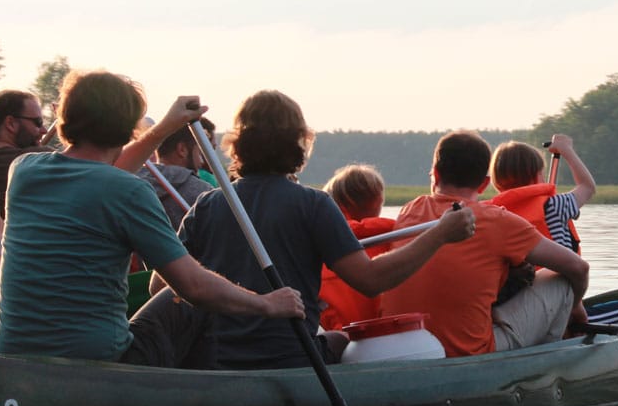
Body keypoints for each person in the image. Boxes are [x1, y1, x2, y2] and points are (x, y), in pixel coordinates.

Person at [0, 71, 303, 364]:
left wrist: (166, 126)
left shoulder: (24, 170)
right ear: (126, 128)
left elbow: (100, 174)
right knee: (189, 299)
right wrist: (267, 303)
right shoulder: (128, 191)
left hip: (15, 352)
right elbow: (193, 287)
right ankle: (206, 392)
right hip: (99, 362)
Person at [173, 91, 475, 369]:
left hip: (215, 359)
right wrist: (440, 234)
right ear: (298, 142)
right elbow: (371, 280)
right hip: (292, 358)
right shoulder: (312, 204)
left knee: (334, 338)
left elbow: (163, 284)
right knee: (342, 339)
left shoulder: (206, 205)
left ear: (237, 144)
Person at [379, 130, 589, 358]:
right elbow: (579, 268)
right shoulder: (498, 220)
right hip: (469, 352)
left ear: (436, 174)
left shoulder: (410, 210)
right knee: (562, 278)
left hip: (401, 348)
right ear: (484, 184)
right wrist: (575, 306)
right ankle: (553, 354)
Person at [319, 164, 397, 330]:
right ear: (379, 201)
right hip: (393, 333)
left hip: (343, 337)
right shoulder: (399, 240)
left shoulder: (321, 246)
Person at [486, 133, 596, 252]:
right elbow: (587, 187)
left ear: (497, 181)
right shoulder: (554, 205)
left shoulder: (492, 214)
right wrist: (566, 150)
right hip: (556, 264)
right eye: (542, 173)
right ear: (536, 176)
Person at [137, 118, 215, 226]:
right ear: (182, 150)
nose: (201, 161)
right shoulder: (203, 193)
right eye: (198, 152)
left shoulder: (132, 187)